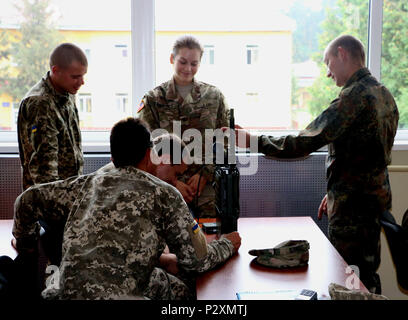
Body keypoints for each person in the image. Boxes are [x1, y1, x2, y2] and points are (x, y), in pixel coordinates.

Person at [229, 35, 399, 294]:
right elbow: (368, 155)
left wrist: (252, 141)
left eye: (328, 62)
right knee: (365, 275)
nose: (328, 72)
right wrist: (335, 191)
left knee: (349, 279)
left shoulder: (354, 97)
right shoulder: (384, 94)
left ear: (342, 54)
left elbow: (304, 142)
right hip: (372, 201)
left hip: (353, 209)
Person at [12, 117, 241, 300]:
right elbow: (197, 261)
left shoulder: (85, 184)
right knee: (189, 291)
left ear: (113, 157)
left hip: (69, 291)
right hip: (125, 294)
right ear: (148, 155)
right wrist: (228, 244)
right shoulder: (164, 194)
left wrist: (26, 245)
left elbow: (26, 200)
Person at [138, 35, 230, 219]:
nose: (188, 69)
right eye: (183, 62)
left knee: (212, 238)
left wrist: (205, 175)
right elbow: (147, 149)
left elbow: (225, 140)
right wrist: (173, 181)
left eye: (194, 63)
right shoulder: (154, 99)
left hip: (207, 188)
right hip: (165, 187)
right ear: (172, 59)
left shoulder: (214, 96)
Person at [17, 42, 87, 191]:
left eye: (83, 76)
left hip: (68, 193)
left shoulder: (66, 93)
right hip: (49, 201)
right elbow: (45, 174)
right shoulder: (40, 103)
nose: (81, 82)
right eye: (75, 77)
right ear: (55, 70)